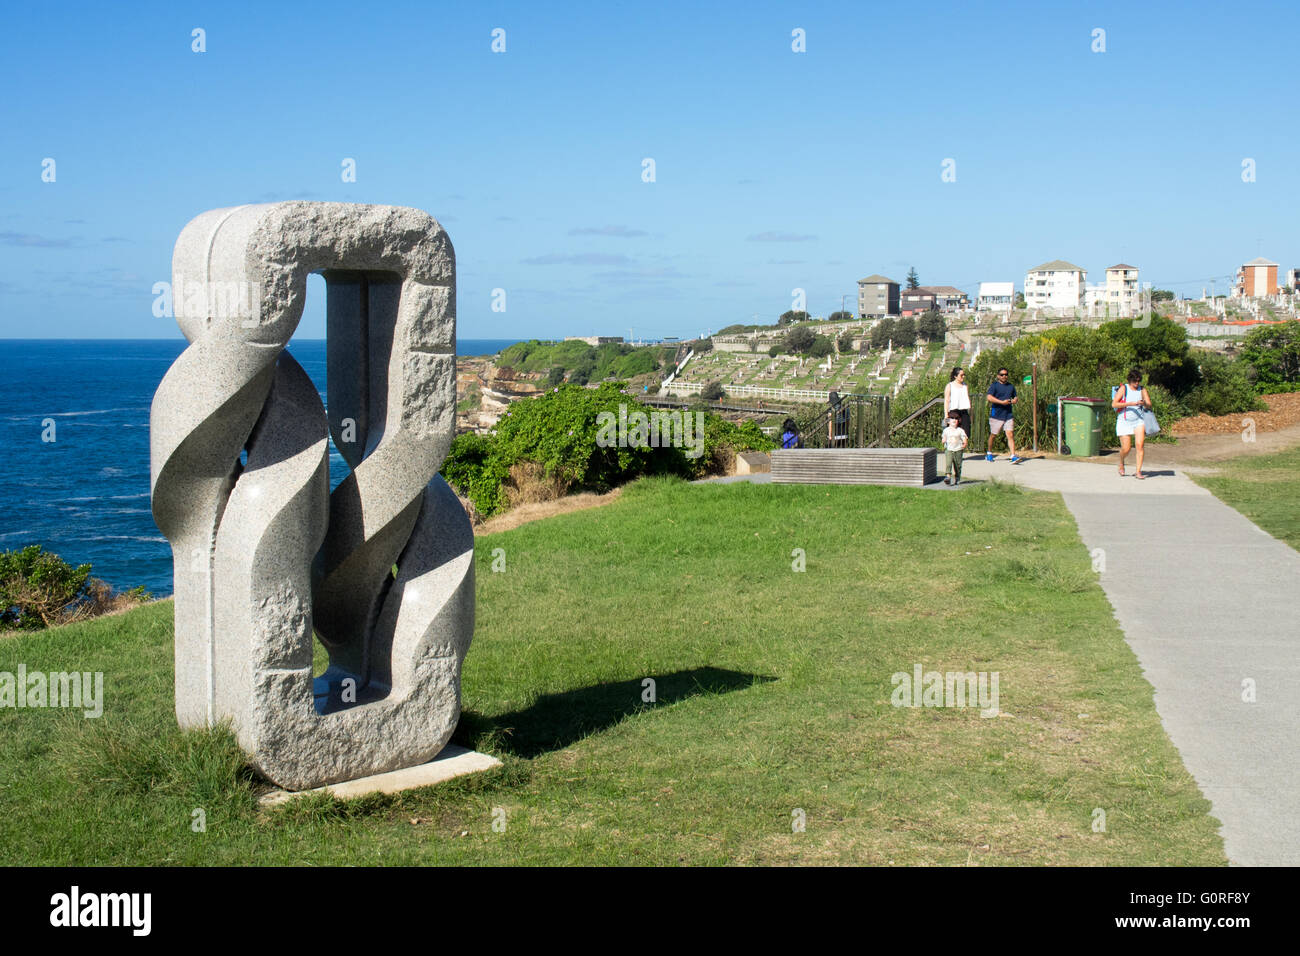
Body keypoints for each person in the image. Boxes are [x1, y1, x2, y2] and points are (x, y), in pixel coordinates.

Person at [1112, 368, 1151, 479]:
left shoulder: (1142, 389)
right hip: (1124, 421)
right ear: (1130, 380)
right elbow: (1114, 404)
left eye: (1138, 381)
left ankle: (1138, 471)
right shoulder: (1124, 388)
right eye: (1135, 381)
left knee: (1140, 445)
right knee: (1126, 448)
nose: (1137, 383)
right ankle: (1121, 462)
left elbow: (1149, 404)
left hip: (1139, 421)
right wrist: (1130, 403)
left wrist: (1144, 403)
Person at [986, 367, 1023, 463]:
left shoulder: (1011, 386)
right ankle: (989, 453)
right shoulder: (994, 386)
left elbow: (1015, 397)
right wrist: (1001, 402)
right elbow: (989, 397)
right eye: (1002, 374)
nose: (1004, 376)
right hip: (997, 414)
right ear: (998, 376)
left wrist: (1014, 400)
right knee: (994, 434)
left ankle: (1013, 455)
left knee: (1010, 434)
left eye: (1006, 374)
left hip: (1008, 414)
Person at [941, 410, 968, 485]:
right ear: (948, 421)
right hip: (949, 449)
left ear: (958, 421)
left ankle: (957, 477)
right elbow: (944, 437)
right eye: (952, 418)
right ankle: (948, 476)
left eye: (956, 419)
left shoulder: (960, 430)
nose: (954, 420)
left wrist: (965, 443)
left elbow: (964, 438)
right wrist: (943, 440)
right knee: (948, 463)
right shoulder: (946, 430)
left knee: (957, 465)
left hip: (958, 449)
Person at [943, 367, 971, 438]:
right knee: (953, 433)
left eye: (964, 375)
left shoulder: (965, 386)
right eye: (961, 375)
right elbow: (947, 400)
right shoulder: (950, 386)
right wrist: (946, 415)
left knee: (965, 434)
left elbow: (967, 398)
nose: (963, 377)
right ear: (955, 376)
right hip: (954, 412)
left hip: (964, 412)